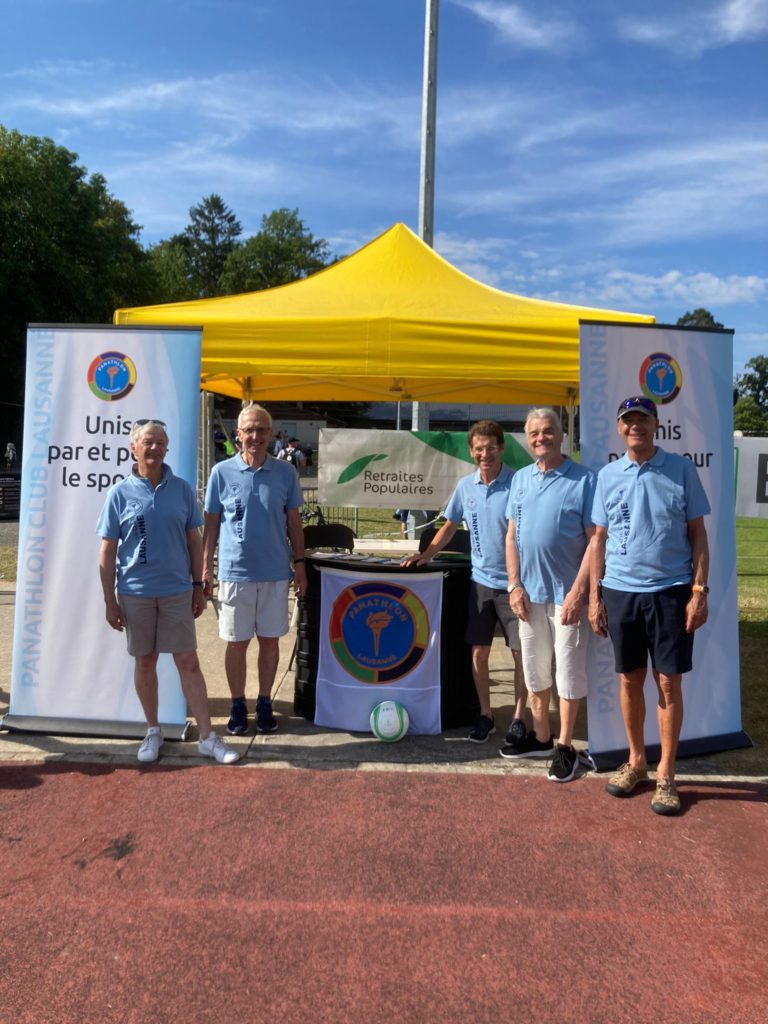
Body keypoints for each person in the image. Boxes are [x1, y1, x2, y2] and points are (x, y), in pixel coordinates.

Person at [589, 395, 710, 815]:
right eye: (628, 420)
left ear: (656, 424)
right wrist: (594, 596)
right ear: (619, 428)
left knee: (668, 684)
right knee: (628, 680)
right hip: (620, 592)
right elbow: (599, 539)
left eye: (642, 419)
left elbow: (698, 534)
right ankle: (637, 761)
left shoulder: (680, 470)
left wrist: (699, 591)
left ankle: (666, 774)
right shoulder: (607, 476)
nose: (634, 426)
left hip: (671, 591)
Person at [97, 419, 239, 765]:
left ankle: (207, 737)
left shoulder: (182, 489)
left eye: (161, 442)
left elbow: (194, 539)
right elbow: (107, 551)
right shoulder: (119, 493)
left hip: (177, 591)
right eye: (148, 442)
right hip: (135, 593)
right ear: (134, 447)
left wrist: (197, 585)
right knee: (145, 661)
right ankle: (153, 730)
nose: (156, 448)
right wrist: (109, 601)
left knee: (188, 661)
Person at [403, 420, 527, 743]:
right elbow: (449, 526)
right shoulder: (465, 486)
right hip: (480, 583)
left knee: (520, 655)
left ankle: (518, 718)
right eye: (478, 448)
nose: (484, 454)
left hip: (515, 584)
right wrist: (426, 554)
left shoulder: (519, 483)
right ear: (472, 451)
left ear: (501, 448)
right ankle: (485, 714)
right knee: (478, 654)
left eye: (490, 447)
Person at [502, 408, 596, 782]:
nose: (541, 438)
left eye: (548, 431)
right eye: (535, 433)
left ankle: (565, 746)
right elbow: (511, 536)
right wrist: (513, 584)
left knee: (569, 675)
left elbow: (594, 541)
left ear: (561, 436)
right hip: (528, 596)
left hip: (566, 597)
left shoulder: (585, 479)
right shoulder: (521, 480)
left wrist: (579, 592)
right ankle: (541, 737)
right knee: (535, 670)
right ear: (528, 438)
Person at [203, 404, 307, 736]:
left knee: (270, 642)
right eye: (249, 430)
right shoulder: (221, 472)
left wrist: (300, 565)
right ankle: (237, 703)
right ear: (238, 434)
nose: (256, 436)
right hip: (235, 574)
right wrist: (205, 568)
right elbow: (211, 527)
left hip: (276, 573)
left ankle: (264, 702)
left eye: (262, 430)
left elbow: (294, 523)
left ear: (270, 434)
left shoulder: (286, 473)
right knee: (236, 643)